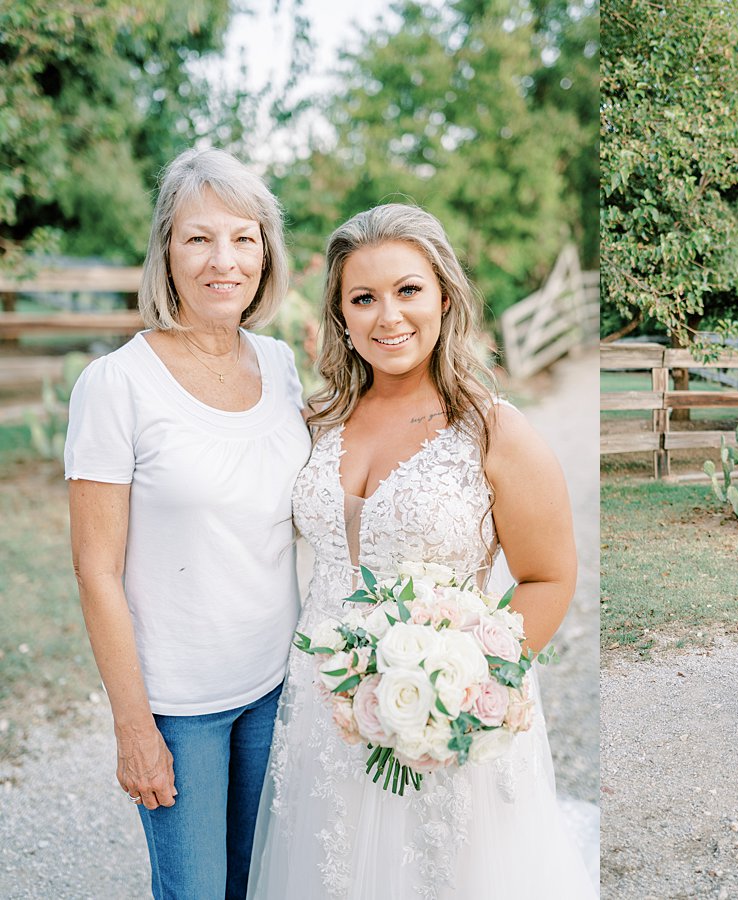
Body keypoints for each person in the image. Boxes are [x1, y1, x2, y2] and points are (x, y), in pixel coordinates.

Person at [248, 204, 597, 898]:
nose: (388, 316)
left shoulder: (492, 430)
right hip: (324, 710)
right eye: (363, 298)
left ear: (444, 294)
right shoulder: (317, 421)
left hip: (446, 708)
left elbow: (548, 576)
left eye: (408, 290)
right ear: (341, 316)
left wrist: (464, 692)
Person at [65, 148, 311, 897]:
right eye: (198, 238)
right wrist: (134, 727)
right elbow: (95, 569)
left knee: (261, 882)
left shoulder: (282, 365)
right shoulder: (116, 385)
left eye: (243, 237)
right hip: (178, 705)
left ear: (265, 252)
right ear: (166, 252)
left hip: (276, 683)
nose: (222, 261)